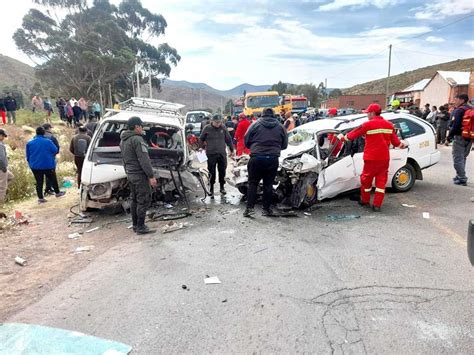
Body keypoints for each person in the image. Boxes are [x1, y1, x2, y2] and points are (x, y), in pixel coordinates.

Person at [338, 103, 407, 212]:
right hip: (384, 159)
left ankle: (365, 201)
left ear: (372, 113)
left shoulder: (367, 125)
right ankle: (377, 205)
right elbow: (396, 142)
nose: (367, 115)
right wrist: (402, 145)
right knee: (381, 182)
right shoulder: (389, 125)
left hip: (371, 158)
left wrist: (342, 138)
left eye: (368, 113)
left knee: (366, 181)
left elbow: (353, 134)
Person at [243, 108, 288, 217]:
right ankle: (266, 209)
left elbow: (246, 139)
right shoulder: (280, 126)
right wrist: (274, 149)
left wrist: (254, 148)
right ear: (274, 115)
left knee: (253, 183)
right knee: (268, 185)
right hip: (272, 159)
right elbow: (285, 145)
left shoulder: (255, 124)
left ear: (262, 115)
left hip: (257, 158)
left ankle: (250, 209)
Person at [120, 117, 157, 235]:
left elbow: (124, 159)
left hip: (130, 174)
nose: (142, 128)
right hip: (139, 175)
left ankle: (136, 225)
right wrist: (151, 176)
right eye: (141, 126)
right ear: (136, 127)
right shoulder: (137, 140)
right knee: (144, 199)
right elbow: (144, 160)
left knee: (134, 199)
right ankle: (141, 226)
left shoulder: (123, 140)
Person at [26, 126, 65, 203]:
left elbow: (28, 156)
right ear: (44, 133)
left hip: (35, 166)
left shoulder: (30, 143)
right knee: (53, 178)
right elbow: (55, 150)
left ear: (36, 133)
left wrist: (31, 163)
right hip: (48, 164)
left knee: (39, 182)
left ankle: (40, 198)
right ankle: (57, 193)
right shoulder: (48, 141)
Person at [199, 113, 234, 197]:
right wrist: (201, 147)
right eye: (216, 122)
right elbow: (201, 139)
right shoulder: (207, 128)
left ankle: (222, 187)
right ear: (212, 121)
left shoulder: (223, 127)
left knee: (222, 170)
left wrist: (232, 150)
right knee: (212, 172)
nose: (218, 124)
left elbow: (228, 139)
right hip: (211, 153)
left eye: (219, 122)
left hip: (221, 153)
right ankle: (211, 188)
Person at [447, 94, 472, 186]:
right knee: (463, 158)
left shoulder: (459, 110)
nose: (455, 101)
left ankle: (462, 178)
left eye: (456, 99)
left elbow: (455, 125)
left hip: (459, 136)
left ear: (462, 100)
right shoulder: (471, 108)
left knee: (457, 158)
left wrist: (449, 137)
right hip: (469, 136)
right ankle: (459, 175)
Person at [0, 129, 14, 210]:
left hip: (2, 167)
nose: (3, 138)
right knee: (2, 188)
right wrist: (3, 168)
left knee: (11, 177)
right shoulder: (0, 145)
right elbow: (0, 158)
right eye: (2, 136)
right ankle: (1, 206)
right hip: (1, 168)